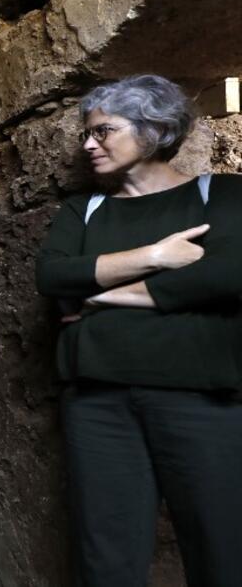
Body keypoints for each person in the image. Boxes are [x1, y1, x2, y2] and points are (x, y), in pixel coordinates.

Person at [35, 74, 242, 586]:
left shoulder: (220, 194)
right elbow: (52, 276)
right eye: (87, 133)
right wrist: (157, 256)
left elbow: (226, 275)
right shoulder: (83, 209)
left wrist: (100, 291)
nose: (88, 144)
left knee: (222, 550)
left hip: (200, 398)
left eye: (102, 131)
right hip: (97, 400)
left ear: (152, 129)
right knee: (106, 559)